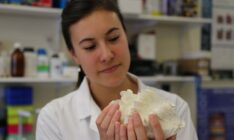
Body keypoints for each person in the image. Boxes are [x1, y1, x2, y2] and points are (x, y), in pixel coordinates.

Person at [36, 0, 198, 140]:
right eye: (90, 47)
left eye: (113, 38)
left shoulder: (173, 107)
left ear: (125, 35)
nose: (106, 55)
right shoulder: (54, 118)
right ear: (74, 55)